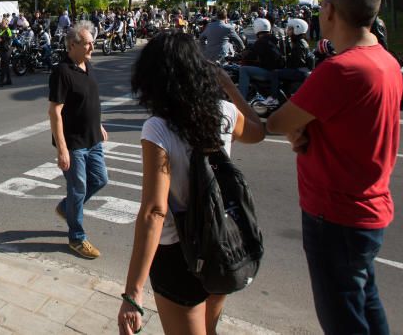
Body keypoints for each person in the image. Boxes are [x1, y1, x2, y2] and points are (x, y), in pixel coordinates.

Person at [267, 0, 401, 334]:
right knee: (365, 304)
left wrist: (231, 90)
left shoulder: (341, 69)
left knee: (341, 317)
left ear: (329, 12)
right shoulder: (385, 62)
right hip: (367, 207)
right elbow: (345, 123)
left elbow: (278, 122)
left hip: (335, 213)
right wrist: (305, 130)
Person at [118, 32, 265, 335]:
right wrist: (228, 86)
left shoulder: (158, 128)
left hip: (177, 251)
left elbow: (155, 211)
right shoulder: (224, 112)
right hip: (220, 240)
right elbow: (258, 132)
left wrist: (133, 292)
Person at [48, 20, 109, 259]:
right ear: (72, 45)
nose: (92, 48)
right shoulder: (62, 72)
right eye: (88, 44)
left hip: (92, 139)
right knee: (78, 188)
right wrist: (62, 150)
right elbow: (55, 112)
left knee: (101, 179)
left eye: (93, 43)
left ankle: (67, 208)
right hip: (74, 144)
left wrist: (98, 125)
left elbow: (88, 101)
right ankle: (77, 238)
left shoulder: (87, 65)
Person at [236, 18, 284, 105]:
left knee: (243, 69)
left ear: (257, 28)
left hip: (269, 72)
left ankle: (241, 100)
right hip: (278, 71)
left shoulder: (261, 41)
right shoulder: (273, 38)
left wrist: (239, 56)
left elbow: (250, 56)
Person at [0, 14, 13, 87]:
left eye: (2, 23)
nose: (1, 23)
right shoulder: (2, 30)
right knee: (6, 66)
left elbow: (1, 39)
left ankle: (1, 81)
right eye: (1, 22)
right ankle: (8, 80)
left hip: (6, 50)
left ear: (6, 23)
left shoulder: (7, 30)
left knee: (3, 66)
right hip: (2, 49)